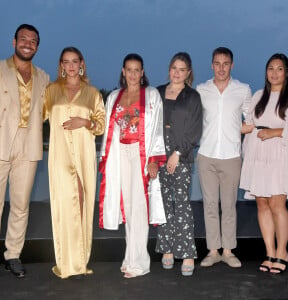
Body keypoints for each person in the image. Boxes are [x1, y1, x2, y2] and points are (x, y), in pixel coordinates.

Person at [99, 53, 166, 279]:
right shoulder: (115, 96)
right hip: (120, 155)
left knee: (139, 208)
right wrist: (105, 159)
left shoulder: (152, 95)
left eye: (137, 70)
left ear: (143, 72)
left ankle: (140, 262)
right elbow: (109, 130)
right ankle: (129, 258)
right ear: (123, 71)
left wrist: (154, 159)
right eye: (129, 69)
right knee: (127, 208)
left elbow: (157, 128)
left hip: (141, 155)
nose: (133, 74)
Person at [43, 47, 105, 279]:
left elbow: (101, 125)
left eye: (75, 61)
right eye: (66, 62)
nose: (70, 66)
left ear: (82, 64)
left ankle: (79, 261)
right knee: (62, 206)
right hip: (59, 155)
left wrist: (85, 122)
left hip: (83, 153)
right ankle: (64, 263)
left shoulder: (92, 93)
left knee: (81, 201)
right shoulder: (50, 91)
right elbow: (33, 117)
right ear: (61, 65)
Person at [240, 53, 288, 274]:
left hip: (280, 157)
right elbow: (250, 125)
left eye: (279, 68)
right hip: (258, 156)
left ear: (286, 72)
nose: (274, 72)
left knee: (277, 205)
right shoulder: (258, 96)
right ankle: (270, 252)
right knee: (262, 205)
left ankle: (283, 252)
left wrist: (275, 132)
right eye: (270, 68)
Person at [0, 24, 49, 278]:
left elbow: (51, 110)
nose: (27, 43)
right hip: (1, 141)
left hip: (29, 146)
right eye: (23, 39)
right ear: (14, 42)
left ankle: (12, 255)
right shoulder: (0, 68)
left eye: (33, 41)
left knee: (20, 205)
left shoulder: (43, 77)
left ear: (37, 47)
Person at [196, 47, 252, 268]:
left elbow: (251, 120)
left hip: (231, 156)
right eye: (217, 63)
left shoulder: (243, 90)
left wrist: (235, 129)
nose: (221, 68)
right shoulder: (201, 90)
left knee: (229, 205)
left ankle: (228, 251)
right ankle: (212, 251)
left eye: (225, 63)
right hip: (206, 155)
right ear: (211, 65)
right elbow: (193, 119)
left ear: (232, 65)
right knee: (209, 205)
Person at [155, 52, 202, 276]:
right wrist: (155, 156)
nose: (177, 72)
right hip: (158, 152)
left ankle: (187, 253)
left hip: (180, 154)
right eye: (174, 67)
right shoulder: (157, 92)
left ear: (188, 72)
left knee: (181, 203)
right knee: (163, 202)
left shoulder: (193, 97)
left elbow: (195, 130)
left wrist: (176, 153)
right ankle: (166, 249)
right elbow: (151, 124)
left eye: (182, 69)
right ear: (169, 69)